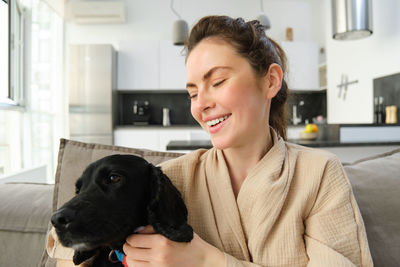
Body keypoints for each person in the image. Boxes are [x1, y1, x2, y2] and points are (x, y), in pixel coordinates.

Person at [50, 15, 373, 267]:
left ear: (271, 81)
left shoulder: (318, 174)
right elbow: (63, 239)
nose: (200, 104)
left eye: (217, 81)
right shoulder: (171, 178)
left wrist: (206, 260)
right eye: (192, 92)